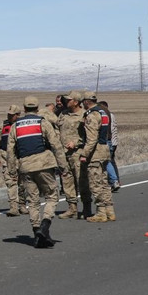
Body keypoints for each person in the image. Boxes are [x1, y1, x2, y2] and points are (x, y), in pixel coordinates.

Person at [6, 96, 67, 248]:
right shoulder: (43, 122)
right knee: (52, 196)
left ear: (24, 109)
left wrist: (12, 170)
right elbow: (56, 145)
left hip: (25, 166)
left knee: (32, 201)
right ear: (37, 108)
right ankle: (45, 226)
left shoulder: (15, 126)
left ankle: (36, 231)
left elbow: (10, 150)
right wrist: (63, 166)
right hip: (44, 163)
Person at [80, 92, 116, 223]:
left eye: (83, 101)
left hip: (96, 153)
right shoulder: (103, 112)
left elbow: (91, 138)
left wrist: (84, 154)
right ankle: (109, 210)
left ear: (87, 101)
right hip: (104, 149)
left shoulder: (92, 115)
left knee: (96, 183)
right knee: (104, 183)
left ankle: (101, 212)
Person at [57, 90, 89, 219]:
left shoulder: (84, 115)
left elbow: (89, 135)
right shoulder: (63, 114)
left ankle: (87, 208)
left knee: (82, 181)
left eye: (68, 100)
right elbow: (57, 129)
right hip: (64, 154)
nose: (65, 102)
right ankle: (72, 208)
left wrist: (76, 143)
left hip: (77, 153)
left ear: (76, 102)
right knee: (67, 181)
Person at [0, 105, 26, 216]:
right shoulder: (2, 126)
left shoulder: (23, 125)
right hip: (6, 159)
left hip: (21, 158)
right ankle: (13, 207)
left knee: (22, 183)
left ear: (18, 115)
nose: (10, 116)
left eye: (12, 115)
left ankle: (22, 204)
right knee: (11, 183)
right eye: (9, 114)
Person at [99, 101, 121, 191]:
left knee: (107, 162)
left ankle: (114, 181)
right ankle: (116, 181)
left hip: (108, 141)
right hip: (112, 142)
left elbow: (110, 130)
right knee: (111, 162)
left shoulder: (107, 116)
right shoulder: (111, 115)